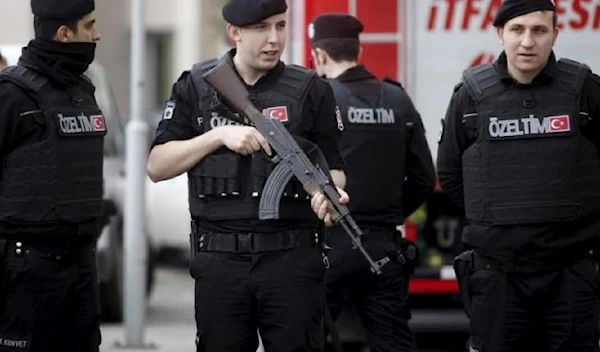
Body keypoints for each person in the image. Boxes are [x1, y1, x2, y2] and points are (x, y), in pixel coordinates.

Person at [146, 0, 347, 350]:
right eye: (261, 28)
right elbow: (157, 165)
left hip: (292, 260)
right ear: (234, 32)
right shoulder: (196, 86)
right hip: (220, 261)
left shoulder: (311, 90)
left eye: (281, 26)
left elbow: (336, 169)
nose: (274, 39)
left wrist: (329, 193)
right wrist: (216, 137)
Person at [437, 0, 600, 351]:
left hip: (570, 272)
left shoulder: (586, 90)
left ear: (556, 34)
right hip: (498, 274)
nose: (528, 41)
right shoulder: (470, 96)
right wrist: (493, 214)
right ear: (500, 34)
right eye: (517, 29)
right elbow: (450, 173)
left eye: (539, 30)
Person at [307, 13, 436, 352]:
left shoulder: (318, 99)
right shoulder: (397, 99)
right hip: (382, 247)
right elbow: (424, 177)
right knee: (392, 341)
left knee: (311, 339)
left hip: (327, 245)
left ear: (319, 54)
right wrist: (388, 213)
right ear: (358, 50)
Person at [0, 0, 104, 351]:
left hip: (80, 268)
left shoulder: (81, 92)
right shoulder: (11, 95)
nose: (97, 34)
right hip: (26, 273)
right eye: (89, 26)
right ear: (64, 34)